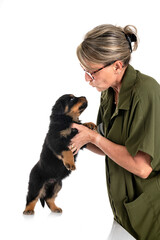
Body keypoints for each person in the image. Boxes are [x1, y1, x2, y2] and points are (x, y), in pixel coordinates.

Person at [69, 24, 160, 240]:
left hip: (149, 215)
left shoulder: (146, 92)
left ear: (117, 66)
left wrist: (93, 137)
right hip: (123, 213)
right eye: (85, 71)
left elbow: (142, 167)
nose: (87, 79)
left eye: (91, 72)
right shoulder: (109, 93)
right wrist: (79, 135)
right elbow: (108, 145)